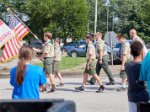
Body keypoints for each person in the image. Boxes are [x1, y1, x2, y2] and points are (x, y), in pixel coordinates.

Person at [125, 41, 149, 112]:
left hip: (132, 96)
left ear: (131, 53)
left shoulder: (128, 65)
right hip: (144, 97)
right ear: (142, 52)